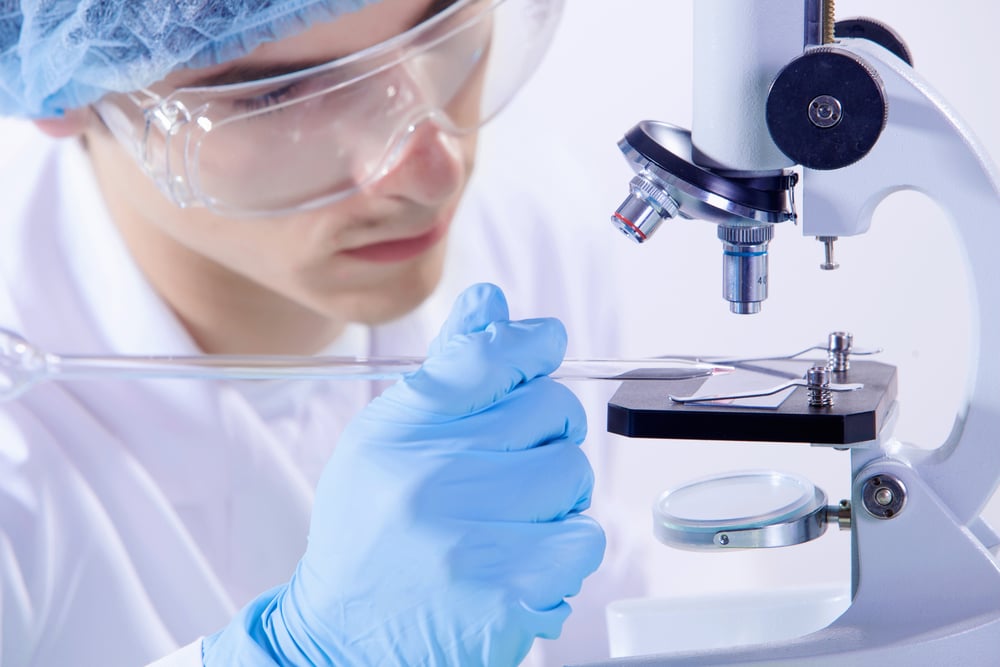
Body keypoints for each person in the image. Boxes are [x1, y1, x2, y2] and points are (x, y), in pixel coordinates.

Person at [0, 0, 647, 665]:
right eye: (275, 96)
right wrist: (302, 654)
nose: (433, 171)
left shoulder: (524, 211)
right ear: (63, 95)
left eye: (438, 32)